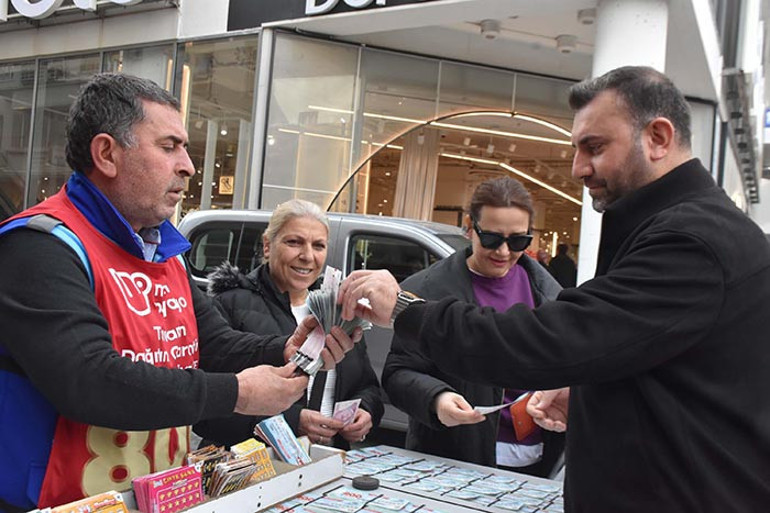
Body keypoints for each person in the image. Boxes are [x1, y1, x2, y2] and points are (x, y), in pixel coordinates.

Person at [337, 66, 770, 512]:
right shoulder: (680, 230)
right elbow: (653, 365)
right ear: (471, 231)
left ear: (658, 138)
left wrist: (406, 310)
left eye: (595, 147)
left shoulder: (691, 241)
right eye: (576, 149)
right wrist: (589, 391)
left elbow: (550, 341)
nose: (579, 168)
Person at [0, 73, 358, 512]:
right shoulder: (40, 245)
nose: (188, 165)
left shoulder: (163, 250)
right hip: (53, 501)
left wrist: (284, 348)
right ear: (107, 154)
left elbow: (213, 344)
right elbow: (88, 379)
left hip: (157, 498)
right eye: (169, 147)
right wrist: (238, 393)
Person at [382, 177, 563, 477]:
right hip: (454, 458)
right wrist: (436, 399)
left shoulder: (548, 291)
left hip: (539, 459)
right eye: (492, 238)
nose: (504, 252)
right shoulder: (426, 288)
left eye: (518, 241)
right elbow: (398, 373)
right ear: (470, 228)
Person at [194, 199, 383, 449]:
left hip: (325, 464)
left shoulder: (339, 311)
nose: (307, 256)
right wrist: (291, 422)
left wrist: (366, 411)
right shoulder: (228, 305)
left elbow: (367, 386)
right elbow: (206, 408)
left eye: (318, 246)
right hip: (252, 471)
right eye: (294, 242)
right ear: (267, 246)